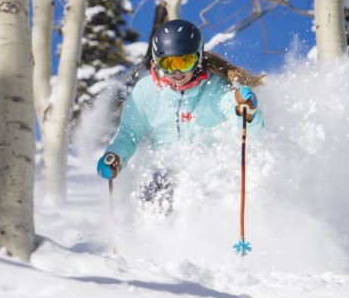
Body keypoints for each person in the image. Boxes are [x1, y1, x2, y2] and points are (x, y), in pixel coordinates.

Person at [96, 19, 263, 211]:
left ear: (198, 58)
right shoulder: (146, 91)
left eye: (185, 62)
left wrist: (244, 110)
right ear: (156, 61)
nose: (176, 72)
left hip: (208, 174)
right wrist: (116, 154)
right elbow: (129, 133)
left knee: (205, 195)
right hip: (163, 175)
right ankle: (150, 238)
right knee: (152, 195)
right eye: (168, 63)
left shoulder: (214, 87)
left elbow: (237, 112)